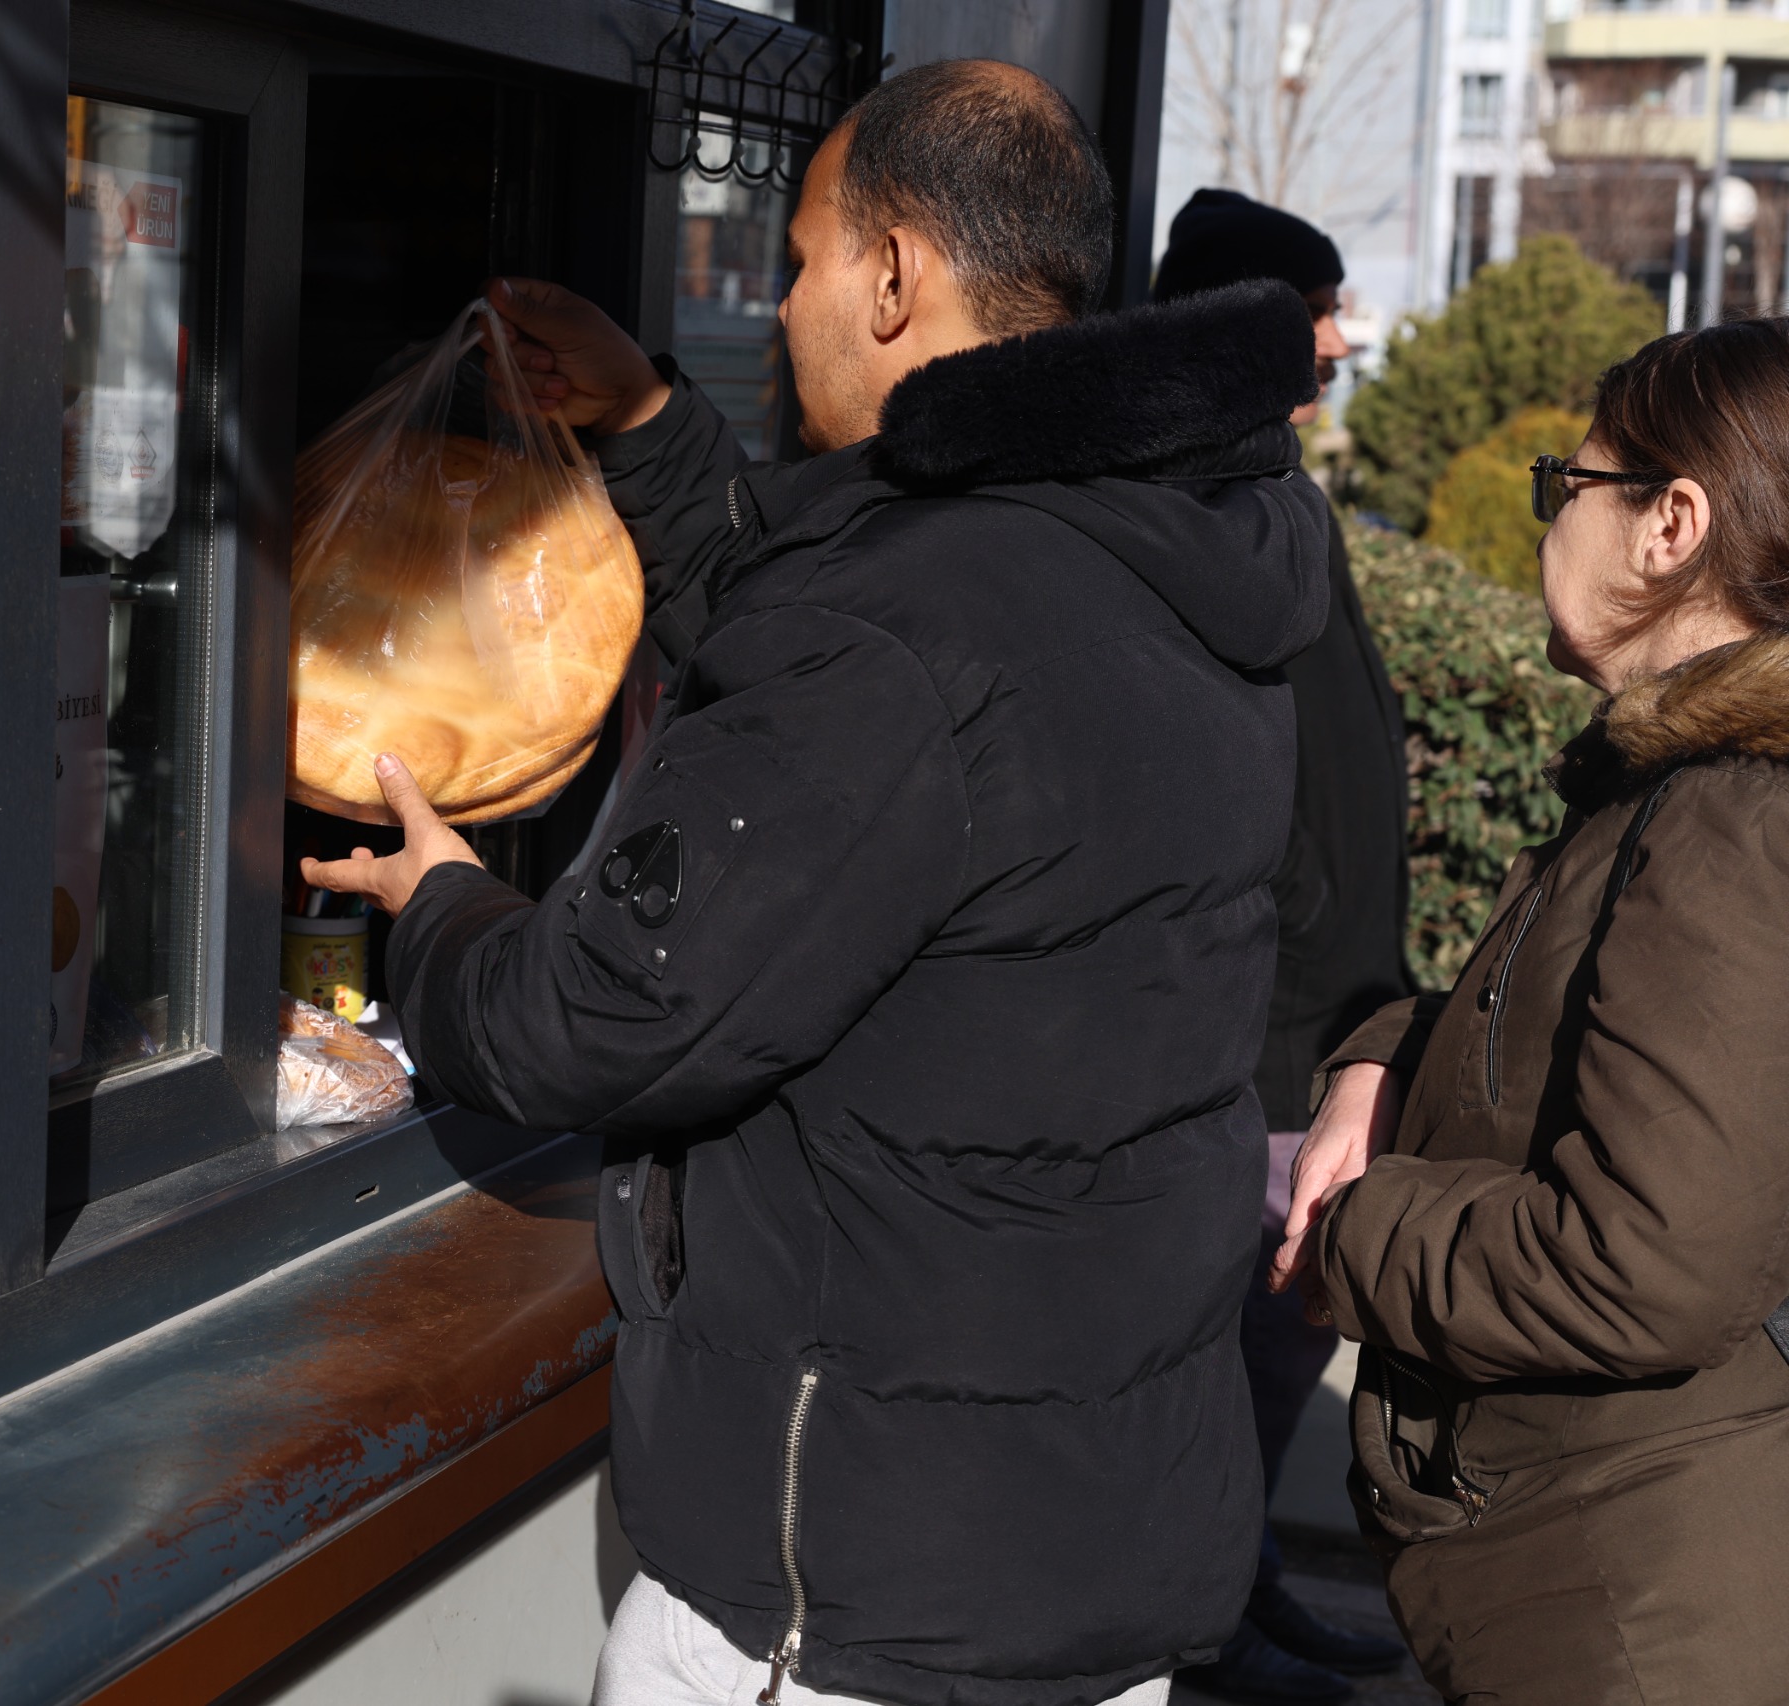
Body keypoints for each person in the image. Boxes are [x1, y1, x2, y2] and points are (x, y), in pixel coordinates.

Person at [308, 61, 1331, 1706]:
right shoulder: (1168, 544)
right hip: (1087, 1564)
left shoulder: (910, 628)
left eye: (795, 259)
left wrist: (439, 907)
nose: (777, 303)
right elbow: (857, 718)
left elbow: (591, 1015)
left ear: (897, 276)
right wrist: (645, 420)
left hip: (853, 1615)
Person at [1273, 318, 1789, 1704]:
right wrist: (1380, 1060)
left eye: (1574, 480)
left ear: (1672, 522)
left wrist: (1352, 1226)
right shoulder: (1670, 787)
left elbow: (1644, 1260)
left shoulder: (1734, 819)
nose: (1549, 511)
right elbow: (1558, 1031)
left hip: (1642, 1612)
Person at [1152, 191, 1412, 1706]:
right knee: (1238, 1346)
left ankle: (1240, 1583)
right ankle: (1210, 1625)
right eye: (1311, 303)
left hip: (1328, 1016)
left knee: (1274, 1339)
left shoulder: (1278, 478)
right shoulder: (1202, 492)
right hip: (1264, 1031)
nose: (1334, 333)